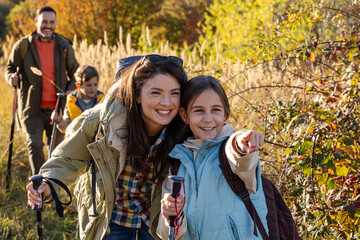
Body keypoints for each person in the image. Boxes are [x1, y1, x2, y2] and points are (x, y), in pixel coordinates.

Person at [26, 54, 188, 240]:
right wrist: (48, 183)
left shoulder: (185, 126)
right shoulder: (103, 121)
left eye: (174, 93)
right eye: (155, 93)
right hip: (110, 219)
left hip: (156, 220)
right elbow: (68, 158)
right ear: (136, 95)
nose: (167, 103)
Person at [155, 75, 268, 239]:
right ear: (184, 115)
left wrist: (239, 142)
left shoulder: (236, 151)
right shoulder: (176, 163)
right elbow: (168, 236)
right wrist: (171, 217)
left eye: (216, 110)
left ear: (225, 114)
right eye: (199, 110)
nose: (208, 119)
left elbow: (240, 159)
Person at [5, 6, 79, 175]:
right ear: (37, 22)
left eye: (52, 22)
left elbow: (76, 73)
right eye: (44, 21)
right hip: (31, 109)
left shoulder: (64, 46)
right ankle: (39, 188)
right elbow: (9, 68)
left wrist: (69, 90)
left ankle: (52, 186)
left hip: (58, 109)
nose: (48, 26)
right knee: (35, 145)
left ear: (55, 23)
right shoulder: (23, 46)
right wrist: (11, 78)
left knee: (56, 150)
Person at [52, 65, 104, 133]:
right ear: (78, 85)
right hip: (76, 140)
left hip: (95, 141)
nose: (93, 88)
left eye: (95, 84)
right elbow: (66, 128)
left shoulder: (102, 101)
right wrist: (59, 121)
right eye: (89, 85)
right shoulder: (71, 101)